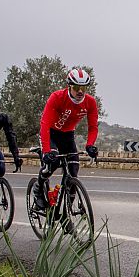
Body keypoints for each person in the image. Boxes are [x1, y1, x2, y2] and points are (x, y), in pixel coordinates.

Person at [33, 68, 100, 233]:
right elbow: (44, 125)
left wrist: (90, 145)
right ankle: (38, 186)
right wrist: (47, 150)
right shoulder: (57, 97)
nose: (80, 91)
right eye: (76, 87)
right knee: (52, 164)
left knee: (73, 172)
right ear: (69, 85)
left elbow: (93, 127)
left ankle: (64, 212)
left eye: (83, 88)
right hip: (51, 134)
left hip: (68, 136)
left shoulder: (90, 102)